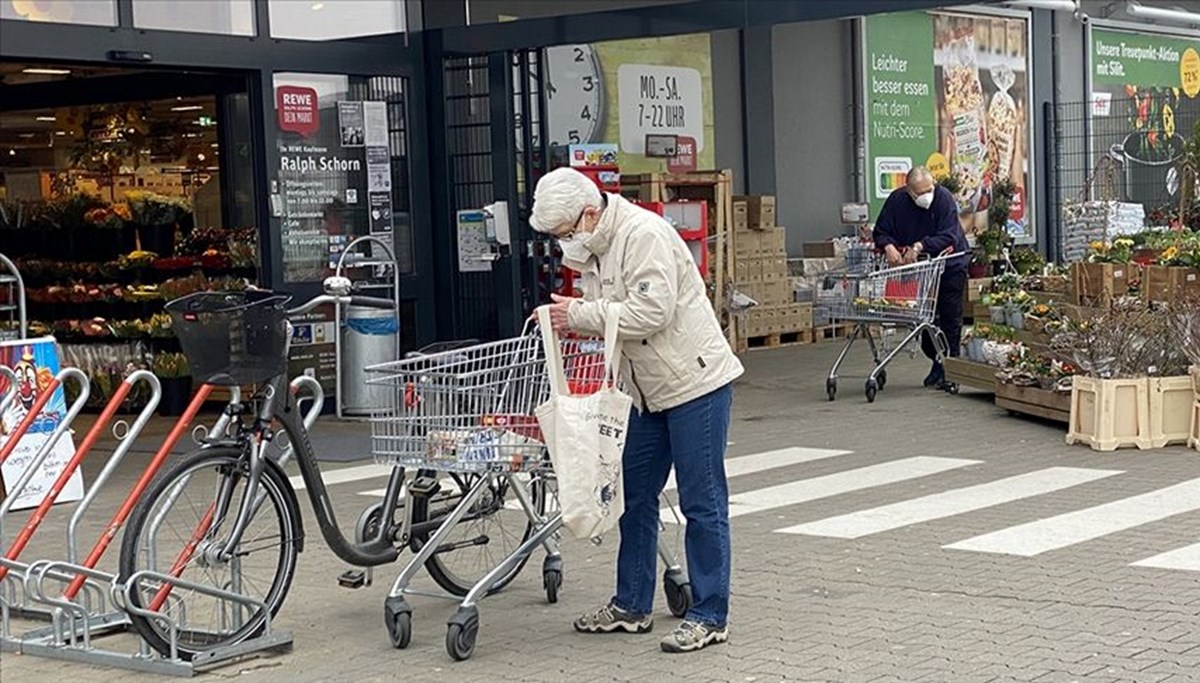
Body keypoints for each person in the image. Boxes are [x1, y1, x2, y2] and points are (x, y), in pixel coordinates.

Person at [530, 167, 743, 653]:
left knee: (701, 502)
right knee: (632, 495)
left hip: (695, 383)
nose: (565, 245)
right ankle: (631, 605)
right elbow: (607, 312)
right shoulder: (596, 246)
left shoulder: (642, 233)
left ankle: (710, 614)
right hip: (647, 391)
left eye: (565, 234)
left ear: (588, 214)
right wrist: (579, 315)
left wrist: (578, 315)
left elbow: (652, 312)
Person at [872, 166, 971, 389]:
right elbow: (881, 231)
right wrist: (888, 246)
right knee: (923, 319)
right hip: (920, 270)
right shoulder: (897, 201)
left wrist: (920, 245)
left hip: (949, 264)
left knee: (950, 316)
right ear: (909, 191)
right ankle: (937, 360)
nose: (927, 195)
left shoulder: (943, 199)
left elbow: (949, 236)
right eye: (920, 192)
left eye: (930, 189)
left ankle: (950, 367)